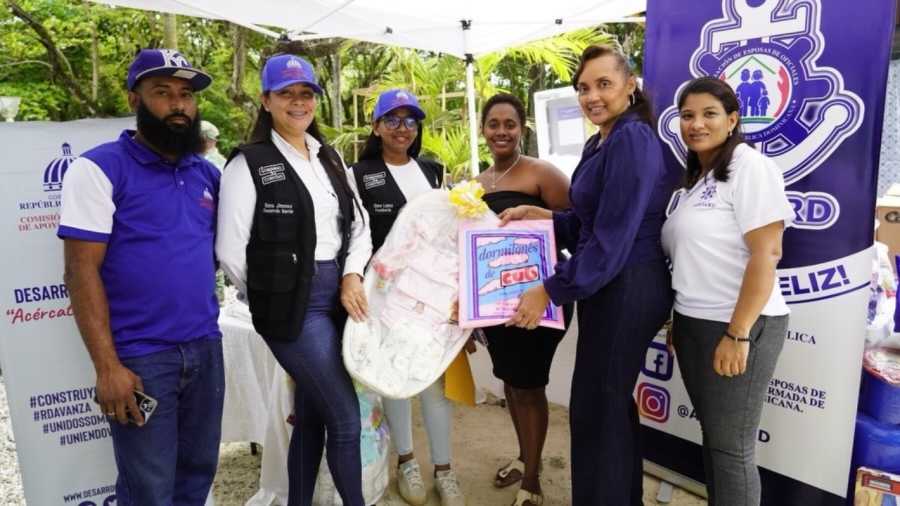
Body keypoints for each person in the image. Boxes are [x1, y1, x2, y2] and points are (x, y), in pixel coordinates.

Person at [498, 44, 675, 505]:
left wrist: (549, 290)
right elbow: (588, 223)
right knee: (608, 404)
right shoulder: (602, 140)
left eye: (603, 84)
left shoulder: (632, 138)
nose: (591, 96)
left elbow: (612, 238)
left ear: (629, 85)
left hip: (628, 281)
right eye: (583, 87)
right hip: (609, 282)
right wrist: (542, 215)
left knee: (598, 407)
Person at [58, 48, 224, 504]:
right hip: (141, 360)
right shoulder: (99, 168)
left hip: (206, 347)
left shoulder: (206, 174)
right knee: (148, 490)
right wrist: (107, 366)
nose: (178, 105)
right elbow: (79, 271)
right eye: (162, 93)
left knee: (196, 478)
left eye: (186, 95)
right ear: (135, 100)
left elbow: (211, 254)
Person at [216, 53, 372, 506]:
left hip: (341, 295)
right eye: (286, 93)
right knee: (345, 420)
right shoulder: (248, 163)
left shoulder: (329, 157)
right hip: (293, 305)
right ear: (266, 101)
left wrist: (351, 275)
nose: (298, 101)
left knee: (312, 417)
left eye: (306, 93)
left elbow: (360, 226)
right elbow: (230, 250)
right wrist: (272, 296)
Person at [661, 76, 793, 506]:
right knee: (717, 441)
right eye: (687, 115)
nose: (696, 124)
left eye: (709, 114)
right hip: (694, 323)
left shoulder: (750, 167)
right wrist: (677, 320)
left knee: (732, 450)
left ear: (733, 119)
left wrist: (737, 334)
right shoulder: (699, 179)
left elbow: (767, 253)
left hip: (738, 324)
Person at [350, 88, 465, 506]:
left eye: (411, 120)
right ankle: (406, 462)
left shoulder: (432, 171)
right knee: (395, 378)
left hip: (432, 297)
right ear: (376, 126)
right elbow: (356, 235)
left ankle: (444, 469)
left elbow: (449, 232)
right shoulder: (358, 174)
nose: (403, 128)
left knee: (433, 384)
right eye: (393, 119)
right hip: (385, 298)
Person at [472, 93, 572, 506]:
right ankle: (525, 456)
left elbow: (576, 229)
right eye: (493, 124)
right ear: (483, 129)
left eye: (509, 124)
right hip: (496, 305)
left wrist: (560, 283)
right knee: (511, 383)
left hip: (538, 300)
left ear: (522, 129)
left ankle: (532, 480)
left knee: (529, 386)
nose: (501, 131)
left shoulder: (542, 173)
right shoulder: (476, 183)